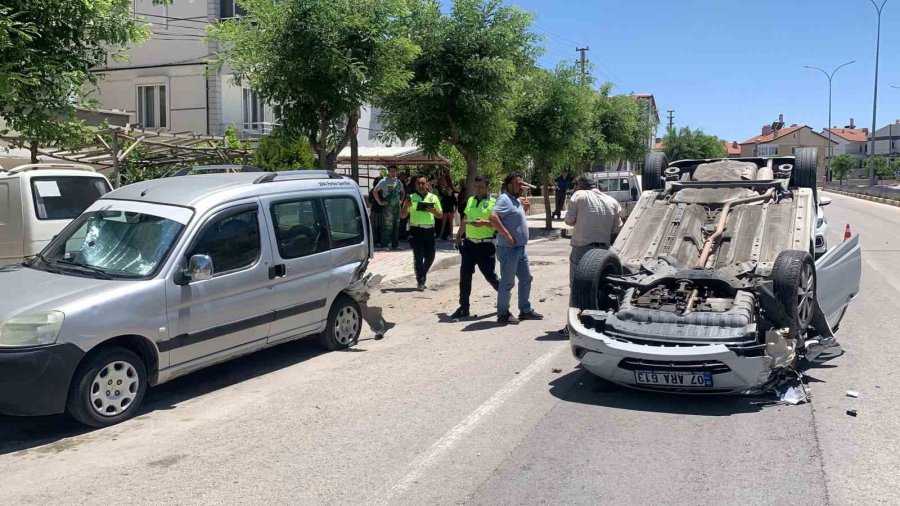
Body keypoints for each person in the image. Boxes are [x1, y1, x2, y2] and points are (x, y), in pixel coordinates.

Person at [559, 172, 622, 334]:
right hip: (603, 252)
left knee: (576, 287)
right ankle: (598, 322)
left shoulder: (579, 195)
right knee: (600, 287)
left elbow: (569, 220)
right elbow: (616, 229)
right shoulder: (612, 201)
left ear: (580, 184)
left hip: (582, 249)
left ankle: (572, 326)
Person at [489, 172, 543, 325]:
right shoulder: (504, 199)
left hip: (520, 249)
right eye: (518, 183)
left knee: (526, 278)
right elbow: (493, 217)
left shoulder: (516, 200)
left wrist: (524, 209)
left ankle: (525, 310)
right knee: (507, 282)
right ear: (509, 184)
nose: (521, 186)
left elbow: (514, 219)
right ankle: (503, 313)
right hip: (509, 249)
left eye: (522, 183)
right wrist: (506, 234)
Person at [451, 175, 500, 319]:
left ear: (487, 187)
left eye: (481, 187)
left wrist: (484, 222)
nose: (478, 189)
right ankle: (463, 307)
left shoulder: (494, 203)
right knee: (465, 276)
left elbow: (498, 224)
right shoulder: (471, 200)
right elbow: (465, 219)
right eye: (476, 186)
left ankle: (504, 298)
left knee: (490, 276)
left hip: (486, 245)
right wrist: (459, 235)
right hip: (469, 244)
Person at [400, 175, 443, 290]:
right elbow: (402, 215)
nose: (421, 185)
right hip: (416, 230)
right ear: (415, 185)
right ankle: (420, 281)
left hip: (429, 230)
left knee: (431, 256)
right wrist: (406, 207)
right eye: (418, 183)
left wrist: (433, 211)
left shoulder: (433, 198)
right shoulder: (411, 197)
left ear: (427, 184)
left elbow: (440, 215)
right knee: (418, 257)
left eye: (423, 183)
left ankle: (422, 273)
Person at [373, 165, 405, 250]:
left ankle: (395, 245)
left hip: (397, 207)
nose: (393, 173)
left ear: (396, 171)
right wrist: (379, 202)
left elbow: (402, 192)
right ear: (388, 171)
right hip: (388, 207)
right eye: (391, 171)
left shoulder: (398, 182)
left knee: (396, 225)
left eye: (394, 171)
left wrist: (401, 201)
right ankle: (385, 245)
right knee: (387, 226)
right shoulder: (384, 181)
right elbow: (375, 191)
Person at [435, 173, 458, 241]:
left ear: (451, 190)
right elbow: (441, 202)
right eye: (447, 190)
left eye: (449, 190)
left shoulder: (453, 196)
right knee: (443, 224)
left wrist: (454, 211)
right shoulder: (444, 196)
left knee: (450, 224)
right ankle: (440, 236)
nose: (448, 191)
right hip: (445, 211)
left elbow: (456, 204)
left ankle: (450, 236)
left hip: (450, 211)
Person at [369, 176, 384, 248]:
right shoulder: (381, 191)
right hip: (380, 211)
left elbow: (370, 203)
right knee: (380, 227)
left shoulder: (372, 190)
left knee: (374, 227)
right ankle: (379, 241)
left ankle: (375, 241)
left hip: (375, 211)